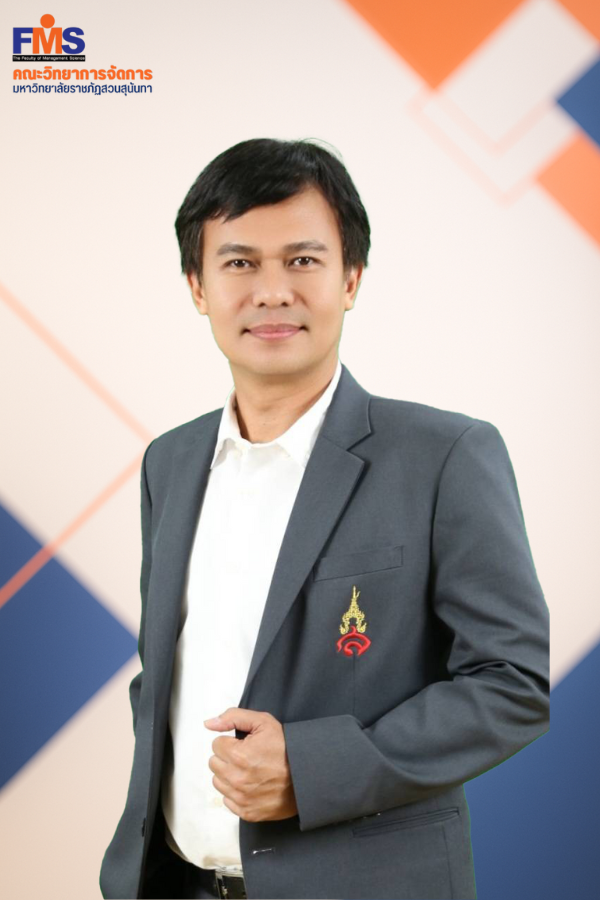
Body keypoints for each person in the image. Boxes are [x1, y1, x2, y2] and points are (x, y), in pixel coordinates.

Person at [99, 138, 550, 900]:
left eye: (303, 260)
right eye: (240, 263)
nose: (273, 291)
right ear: (198, 287)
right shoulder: (168, 463)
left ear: (351, 279)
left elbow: (512, 684)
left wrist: (314, 770)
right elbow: (167, 676)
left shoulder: (444, 456)